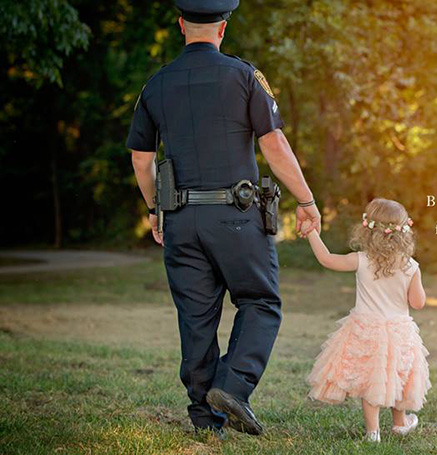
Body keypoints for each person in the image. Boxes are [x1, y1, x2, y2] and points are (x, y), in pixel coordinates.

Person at [127, 0, 320, 438]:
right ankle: (233, 386)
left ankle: (204, 419)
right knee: (259, 300)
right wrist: (306, 200)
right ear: (223, 28)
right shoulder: (243, 76)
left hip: (180, 218)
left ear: (181, 25)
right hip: (236, 216)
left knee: (196, 316)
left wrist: (154, 209)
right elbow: (273, 145)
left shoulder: (156, 84)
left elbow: (142, 159)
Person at [302, 198, 431, 442]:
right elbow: (418, 303)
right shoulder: (410, 266)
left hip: (366, 328)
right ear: (404, 232)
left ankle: (373, 432)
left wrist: (311, 233)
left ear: (368, 230)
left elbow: (327, 259)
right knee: (398, 376)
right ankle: (399, 422)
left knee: (371, 379)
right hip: (399, 331)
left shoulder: (362, 260)